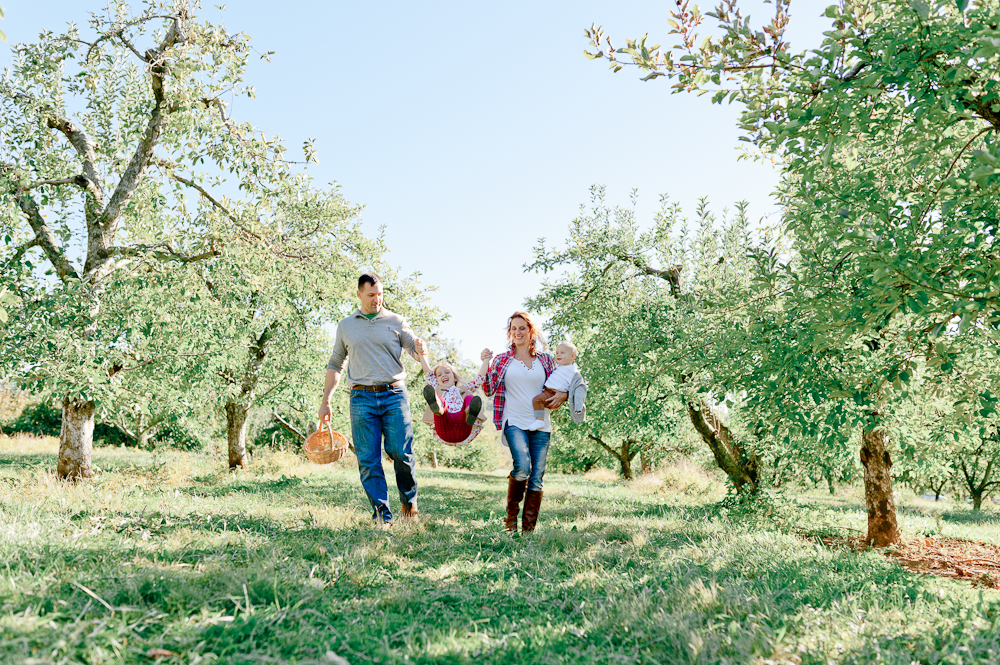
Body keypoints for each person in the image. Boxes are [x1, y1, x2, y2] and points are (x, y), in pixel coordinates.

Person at [319, 273, 423, 527]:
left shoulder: (396, 321)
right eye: (371, 295)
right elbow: (335, 363)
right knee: (367, 459)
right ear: (359, 295)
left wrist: (419, 348)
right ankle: (382, 516)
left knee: (401, 452)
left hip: (394, 394)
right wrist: (326, 400)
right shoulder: (346, 326)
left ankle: (409, 504)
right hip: (361, 398)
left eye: (380, 295)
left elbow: (412, 347)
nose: (377, 300)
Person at [482, 311, 567, 532]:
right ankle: (511, 520)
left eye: (522, 328)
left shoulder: (546, 360)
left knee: (536, 477)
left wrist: (564, 395)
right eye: (513, 329)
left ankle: (528, 530)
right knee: (522, 467)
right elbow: (488, 389)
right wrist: (484, 363)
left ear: (531, 331)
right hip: (514, 420)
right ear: (509, 333)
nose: (517, 332)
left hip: (541, 424)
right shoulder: (502, 359)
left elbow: (563, 383)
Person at [415, 345, 490, 445]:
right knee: (440, 399)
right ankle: (438, 408)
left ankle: (469, 413)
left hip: (463, 427)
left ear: (454, 378)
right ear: (436, 380)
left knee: (469, 398)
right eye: (439, 375)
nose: (443, 375)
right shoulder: (437, 388)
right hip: (444, 428)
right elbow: (428, 372)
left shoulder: (464, 390)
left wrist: (486, 360)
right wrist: (421, 354)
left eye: (447, 372)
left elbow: (479, 378)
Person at [528, 340, 585, 431]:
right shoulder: (558, 367)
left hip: (553, 392)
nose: (558, 355)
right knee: (539, 401)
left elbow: (578, 388)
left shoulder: (573, 371)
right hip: (547, 390)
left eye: (562, 353)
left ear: (572, 356)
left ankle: (540, 420)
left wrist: (578, 405)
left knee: (537, 400)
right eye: (557, 353)